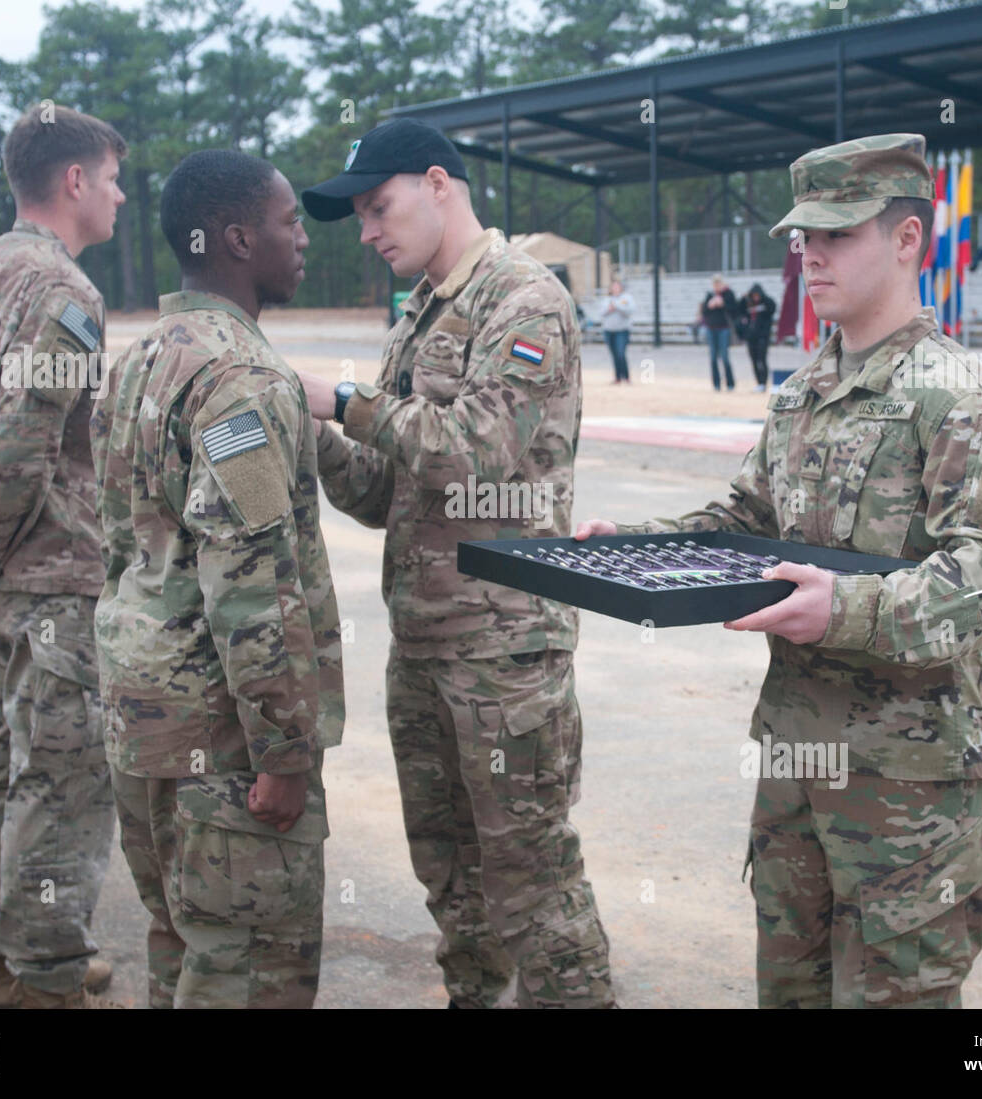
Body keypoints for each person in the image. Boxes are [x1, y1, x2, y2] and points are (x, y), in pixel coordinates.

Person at [576, 133, 982, 1009]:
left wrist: (851, 609)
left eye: (837, 234)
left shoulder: (958, 394)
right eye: (803, 236)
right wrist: (627, 544)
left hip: (907, 786)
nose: (811, 254)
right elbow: (745, 522)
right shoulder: (804, 390)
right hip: (796, 758)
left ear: (908, 239)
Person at [298, 117, 614, 1009]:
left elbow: (475, 447)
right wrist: (311, 428)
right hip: (426, 640)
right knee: (451, 872)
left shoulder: (525, 300)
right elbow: (378, 493)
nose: (367, 231)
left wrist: (347, 399)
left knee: (532, 876)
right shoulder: (419, 316)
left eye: (377, 206)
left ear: (439, 182)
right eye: (358, 216)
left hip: (506, 650)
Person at [91, 149, 343, 1009]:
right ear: (239, 238)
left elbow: (124, 537)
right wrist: (283, 746)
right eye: (286, 222)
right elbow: (250, 579)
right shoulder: (241, 378)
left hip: (146, 713)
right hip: (224, 739)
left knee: (183, 943)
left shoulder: (143, 356)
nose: (301, 239)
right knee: (248, 965)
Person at [0, 105, 126, 1009]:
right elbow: (20, 442)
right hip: (44, 580)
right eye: (113, 177)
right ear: (74, 181)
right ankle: (43, 980)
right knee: (60, 785)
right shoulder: (62, 291)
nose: (120, 195)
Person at [698, 274, 737, 390]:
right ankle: (716, 384)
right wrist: (710, 305)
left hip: (724, 328)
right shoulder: (709, 295)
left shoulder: (729, 294)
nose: (717, 285)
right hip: (711, 328)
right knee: (713, 357)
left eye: (718, 283)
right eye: (715, 283)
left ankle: (730, 383)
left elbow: (734, 310)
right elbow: (704, 311)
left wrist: (723, 303)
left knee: (725, 357)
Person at [739, 282, 776, 391]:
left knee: (762, 359)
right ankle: (759, 382)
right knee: (754, 360)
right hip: (751, 337)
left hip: (763, 337)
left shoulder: (766, 303)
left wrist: (764, 298)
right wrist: (743, 299)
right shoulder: (748, 304)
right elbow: (739, 310)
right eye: (753, 295)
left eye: (757, 295)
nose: (756, 297)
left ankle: (764, 382)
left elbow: (772, 308)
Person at [600, 278, 633, 384]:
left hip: (622, 330)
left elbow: (629, 311)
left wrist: (617, 306)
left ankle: (626, 377)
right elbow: (601, 312)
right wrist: (609, 309)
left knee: (620, 353)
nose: (615, 288)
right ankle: (618, 377)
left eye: (617, 286)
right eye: (613, 286)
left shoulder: (627, 298)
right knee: (614, 354)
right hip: (609, 330)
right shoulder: (606, 299)